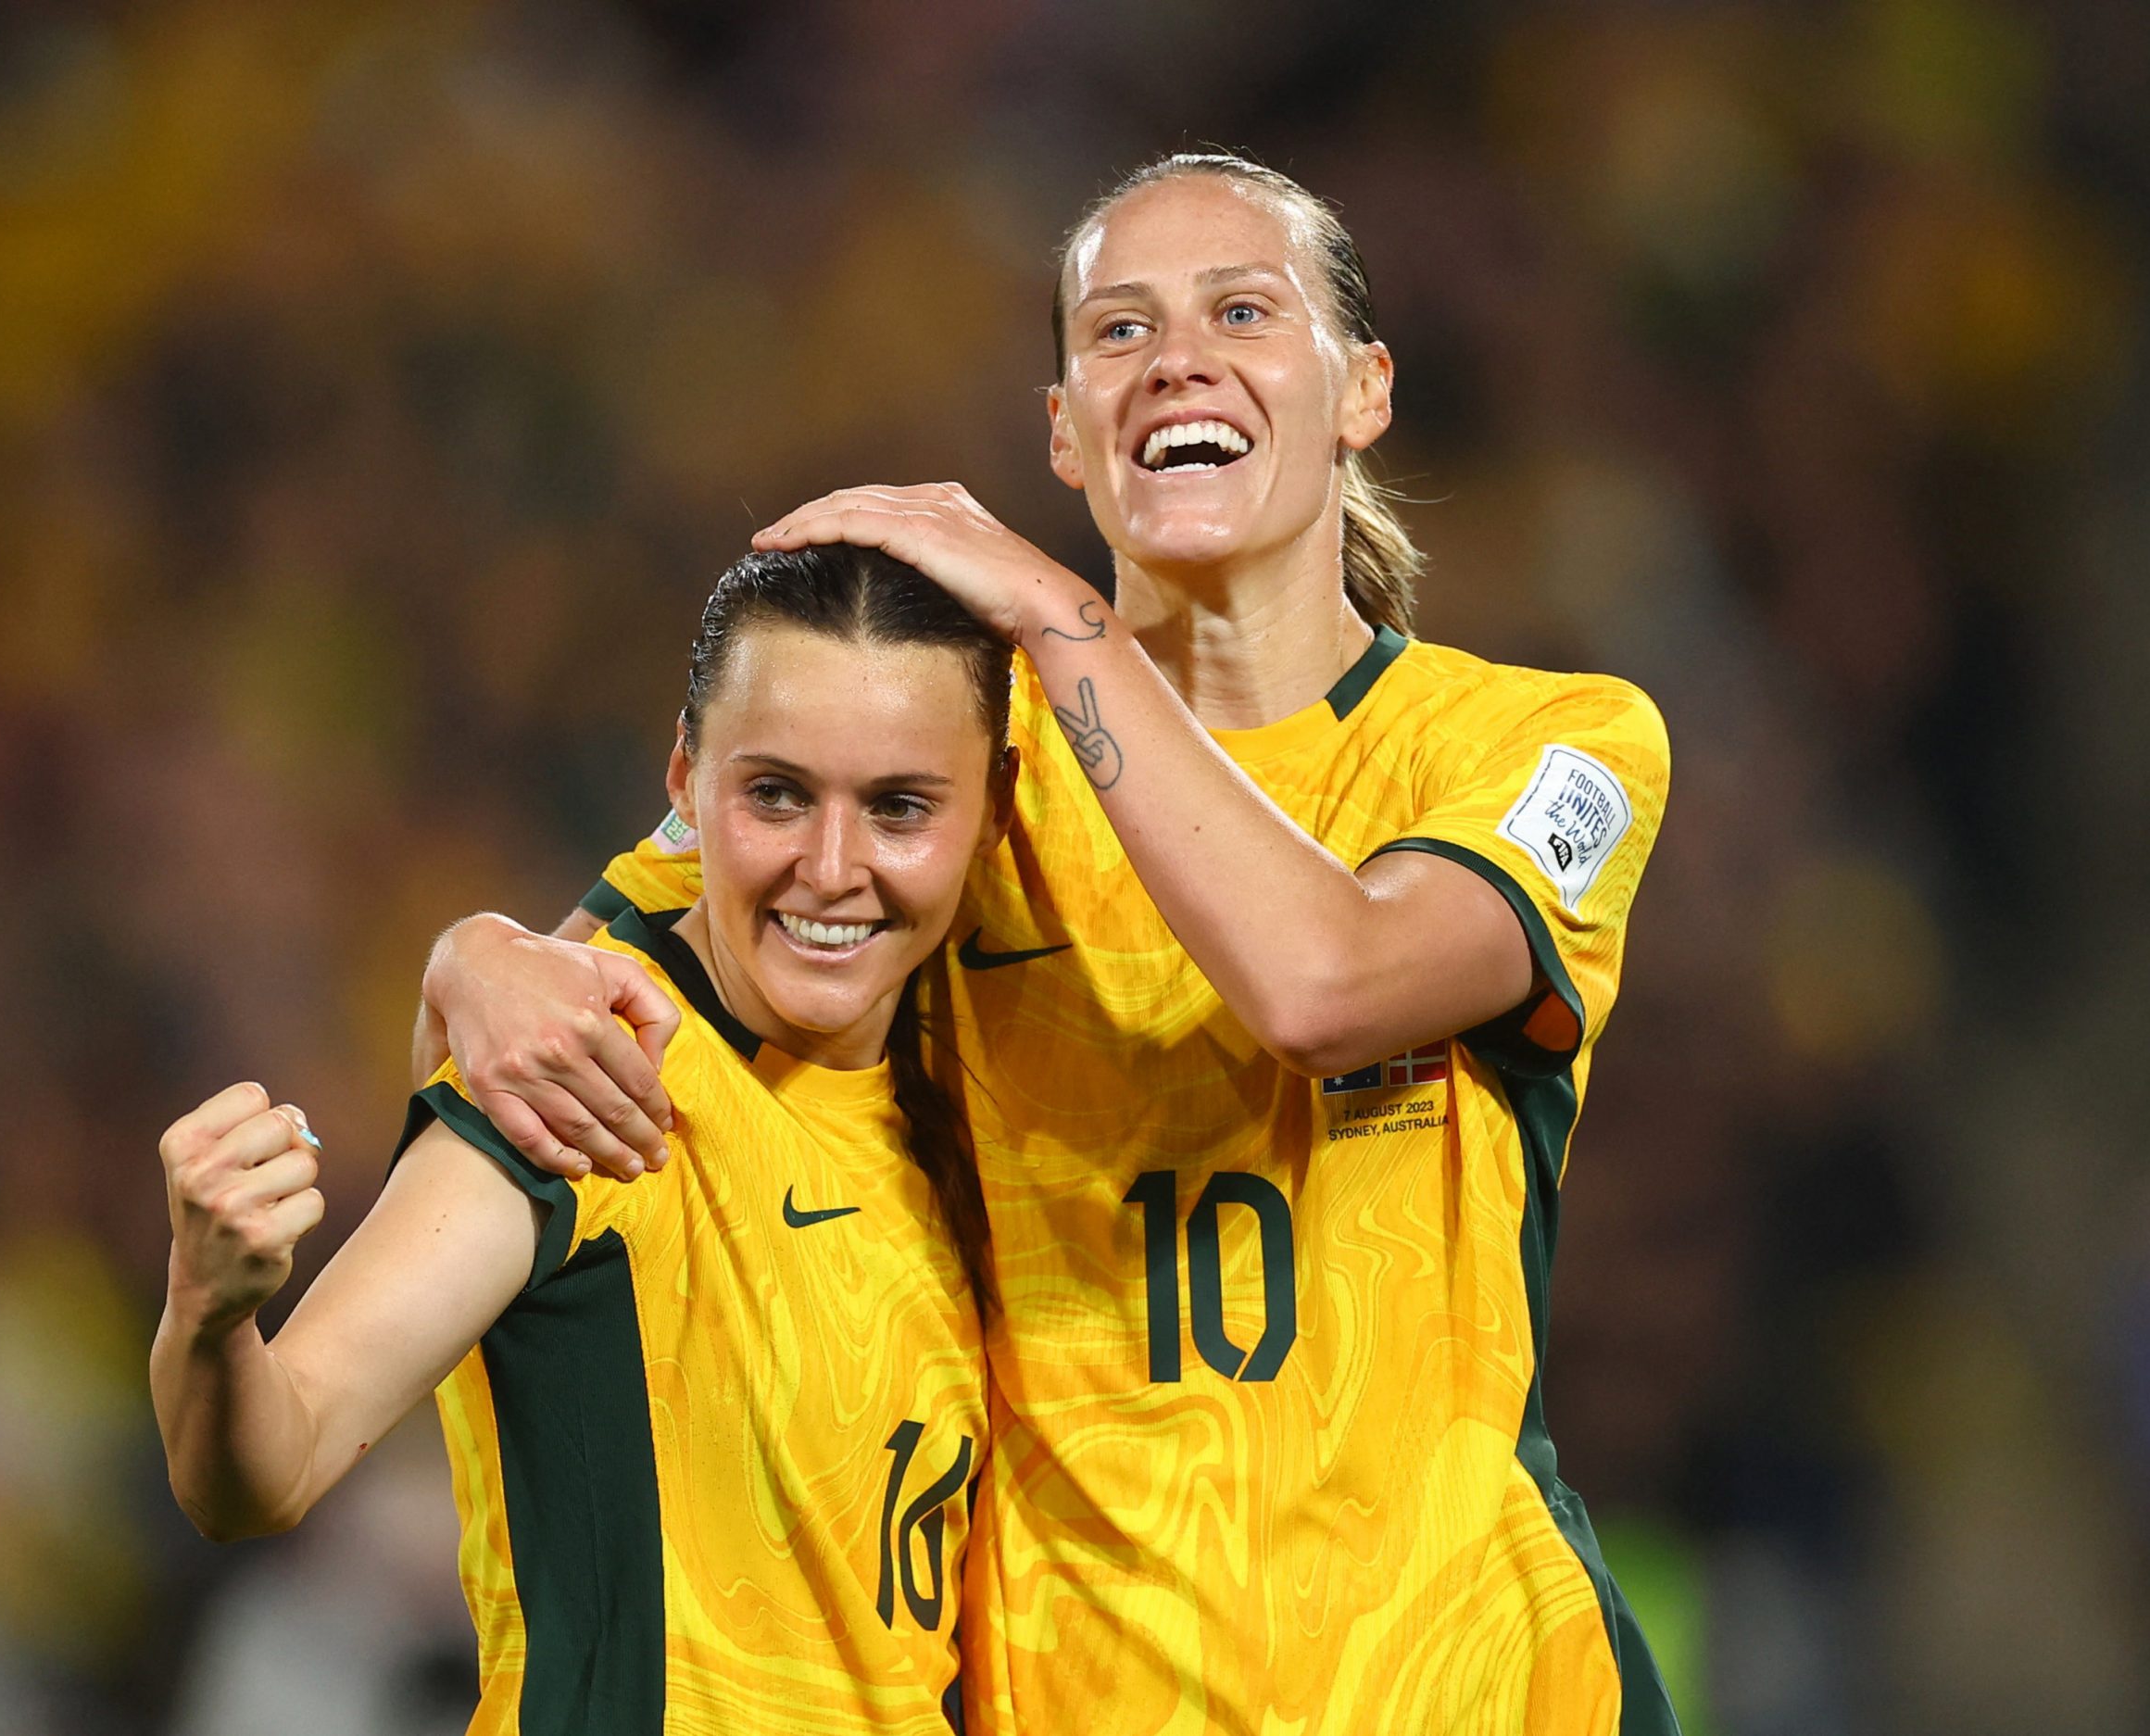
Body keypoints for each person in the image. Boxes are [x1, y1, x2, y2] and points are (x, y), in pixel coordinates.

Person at [425, 154, 1679, 1733]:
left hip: (1478, 1689)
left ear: (1362, 389)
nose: (1178, 359)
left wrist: (1044, 605)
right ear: (1065, 431)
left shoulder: (1548, 742)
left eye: (1242, 310)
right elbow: (594, 980)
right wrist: (472, 952)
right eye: (1118, 330)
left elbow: (1327, 982)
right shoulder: (952, 762)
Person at [152, 547, 1016, 1734]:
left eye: (899, 807)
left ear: (995, 810)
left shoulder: (965, 1138)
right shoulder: (580, 1083)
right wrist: (208, 1310)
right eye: (774, 793)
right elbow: (270, 1461)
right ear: (685, 778)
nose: (831, 865)